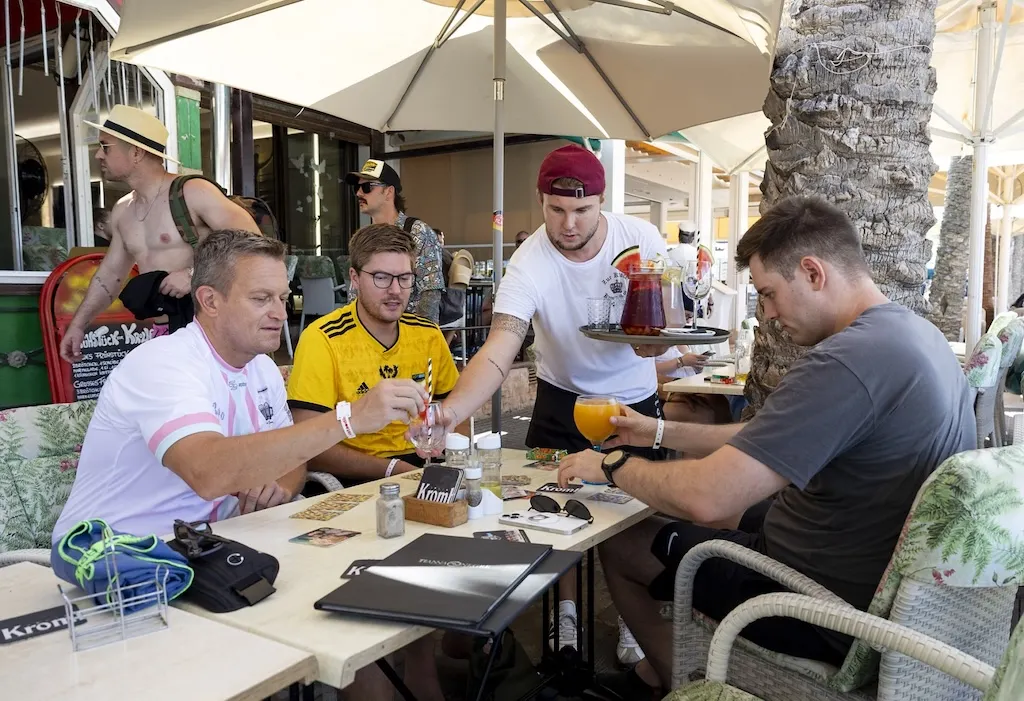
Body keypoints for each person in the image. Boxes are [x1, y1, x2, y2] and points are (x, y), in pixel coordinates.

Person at [555, 196, 976, 699]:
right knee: (712, 516)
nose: (770, 315)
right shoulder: (913, 336)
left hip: (815, 604)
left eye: (770, 294)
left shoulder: (846, 362)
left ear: (813, 272)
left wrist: (613, 463)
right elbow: (769, 438)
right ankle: (653, 670)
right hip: (877, 580)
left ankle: (671, 682)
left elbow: (708, 497)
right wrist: (655, 434)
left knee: (623, 542)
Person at [52, 229, 442, 701]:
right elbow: (209, 472)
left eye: (283, 296)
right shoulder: (163, 365)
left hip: (217, 550)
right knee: (353, 623)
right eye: (261, 298)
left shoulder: (258, 366)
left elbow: (291, 459)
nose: (280, 312)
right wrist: (348, 418)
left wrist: (278, 483)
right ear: (209, 300)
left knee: (373, 616)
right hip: (128, 567)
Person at [435, 144, 668, 659]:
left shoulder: (640, 239)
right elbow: (500, 347)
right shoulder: (529, 261)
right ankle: (567, 620)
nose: (568, 223)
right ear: (541, 201)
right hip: (562, 404)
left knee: (635, 523)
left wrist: (655, 341)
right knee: (552, 519)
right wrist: (452, 411)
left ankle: (635, 617)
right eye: (556, 209)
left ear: (602, 202)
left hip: (633, 405)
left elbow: (666, 324)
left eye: (582, 211)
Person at [59, 106, 261, 363]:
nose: (98, 155)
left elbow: (255, 243)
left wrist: (193, 275)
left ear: (136, 152)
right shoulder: (123, 210)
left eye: (105, 146)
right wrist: (78, 325)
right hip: (163, 334)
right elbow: (109, 276)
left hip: (213, 333)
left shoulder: (192, 192)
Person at [287, 223, 460, 486]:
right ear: (354, 279)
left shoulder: (428, 335)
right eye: (381, 277)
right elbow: (309, 444)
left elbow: (457, 410)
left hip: (424, 468)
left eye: (404, 278)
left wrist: (445, 433)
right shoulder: (323, 338)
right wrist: (392, 468)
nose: (395, 290)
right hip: (353, 477)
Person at [345, 159, 445, 323]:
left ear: (389, 192)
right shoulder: (364, 236)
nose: (359, 193)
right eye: (357, 187)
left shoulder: (417, 232)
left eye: (367, 187)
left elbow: (430, 294)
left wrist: (422, 339)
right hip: (365, 335)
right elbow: (356, 291)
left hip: (404, 334)